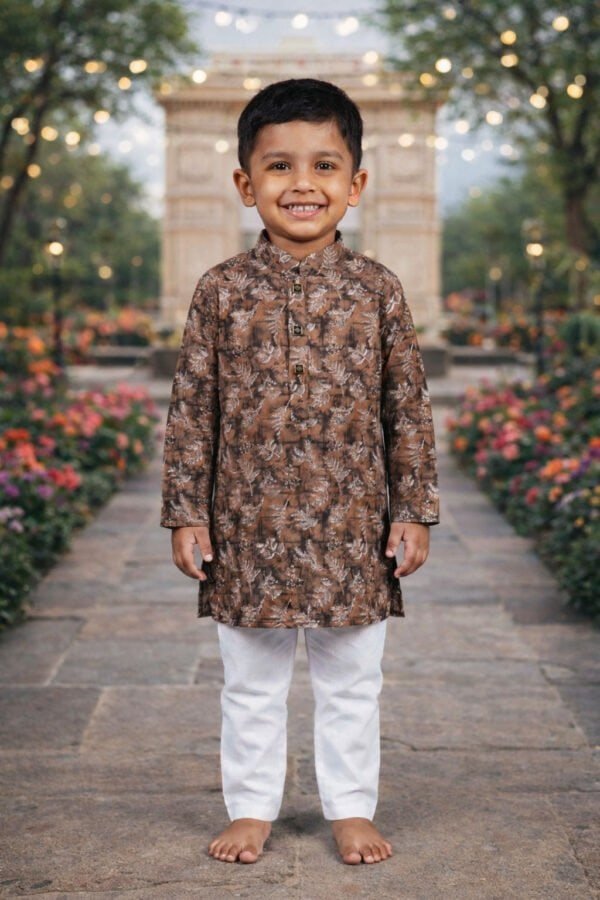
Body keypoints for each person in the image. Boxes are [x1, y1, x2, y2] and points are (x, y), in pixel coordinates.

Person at [161, 77, 439, 866]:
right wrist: (188, 510)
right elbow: (193, 408)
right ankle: (251, 805)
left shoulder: (378, 290)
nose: (302, 185)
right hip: (247, 524)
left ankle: (350, 806)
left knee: (352, 676)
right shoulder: (220, 291)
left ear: (355, 184)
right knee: (250, 679)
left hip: (353, 523)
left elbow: (407, 408)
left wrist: (412, 508)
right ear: (247, 185)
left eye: (324, 166)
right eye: (279, 167)